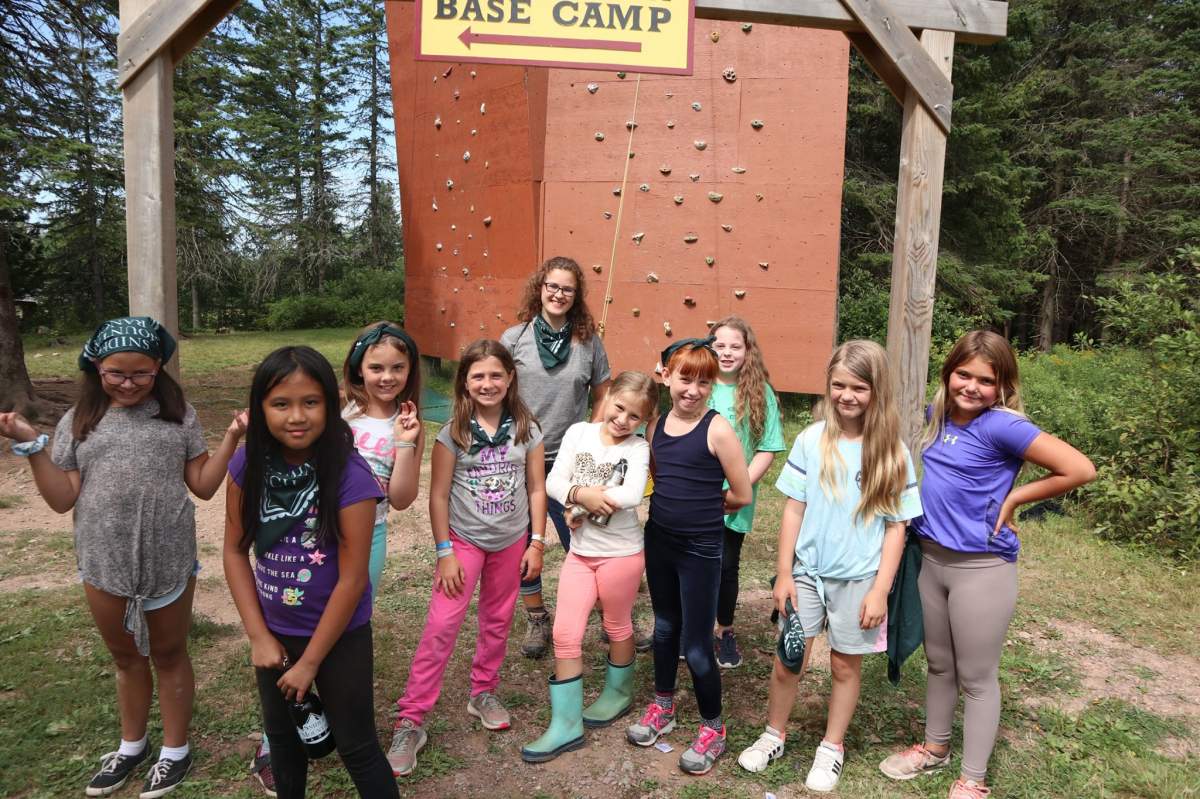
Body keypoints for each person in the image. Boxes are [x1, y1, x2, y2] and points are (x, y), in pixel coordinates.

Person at [0, 316, 243, 798]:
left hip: (168, 556)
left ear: (158, 369)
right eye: (116, 374)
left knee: (170, 655)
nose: (128, 383)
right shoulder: (78, 421)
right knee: (126, 658)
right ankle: (132, 745)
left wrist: (233, 437)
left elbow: (204, 485)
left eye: (141, 374)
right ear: (96, 368)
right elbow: (61, 498)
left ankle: (176, 750)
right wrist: (30, 445)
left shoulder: (179, 416)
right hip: (104, 559)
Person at [879, 330, 1095, 798]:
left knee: (976, 677)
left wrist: (1016, 496)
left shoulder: (1003, 426)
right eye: (964, 374)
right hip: (931, 560)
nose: (972, 387)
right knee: (939, 664)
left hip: (981, 567)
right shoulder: (933, 415)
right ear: (948, 372)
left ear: (1003, 385)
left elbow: (1080, 468)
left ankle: (973, 780)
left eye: (986, 380)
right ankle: (934, 749)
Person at [736, 340, 922, 792]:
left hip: (859, 579)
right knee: (789, 657)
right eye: (838, 385)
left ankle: (831, 747)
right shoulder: (809, 439)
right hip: (807, 574)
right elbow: (794, 509)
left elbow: (897, 528)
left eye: (859, 387)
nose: (847, 396)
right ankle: (773, 734)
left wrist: (880, 590)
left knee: (844, 666)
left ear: (877, 391)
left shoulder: (891, 451)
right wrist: (784, 572)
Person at [248, 323, 424, 795]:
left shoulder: (402, 427)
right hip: (299, 552)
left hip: (367, 535)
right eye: (376, 367)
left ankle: (316, 683)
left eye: (397, 368)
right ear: (356, 370)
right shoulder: (335, 413)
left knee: (339, 620)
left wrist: (406, 442)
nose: (386, 377)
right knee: (285, 715)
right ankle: (279, 732)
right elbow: (236, 544)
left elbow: (403, 497)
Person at [386, 340, 546, 777]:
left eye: (496, 375)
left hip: (511, 541)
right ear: (465, 382)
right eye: (478, 376)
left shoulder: (526, 429)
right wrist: (445, 552)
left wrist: (537, 541)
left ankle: (484, 691)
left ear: (510, 378)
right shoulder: (451, 432)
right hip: (464, 543)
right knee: (442, 625)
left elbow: (535, 488)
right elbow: (437, 496)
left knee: (497, 619)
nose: (488, 383)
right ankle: (411, 718)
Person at [625, 338, 752, 775]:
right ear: (665, 376)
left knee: (697, 647)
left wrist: (709, 507)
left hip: (700, 549)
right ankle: (663, 706)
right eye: (685, 379)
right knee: (663, 628)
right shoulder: (654, 424)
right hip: (659, 539)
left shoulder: (717, 429)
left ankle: (713, 729)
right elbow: (657, 476)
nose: (693, 390)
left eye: (704, 381)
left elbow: (743, 492)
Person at [522, 371, 657, 763]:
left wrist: (581, 504)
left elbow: (632, 493)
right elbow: (554, 480)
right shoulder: (579, 433)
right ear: (608, 396)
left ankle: (619, 693)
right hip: (580, 554)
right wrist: (581, 494)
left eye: (635, 416)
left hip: (622, 555)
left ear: (643, 420)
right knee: (566, 632)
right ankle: (566, 725)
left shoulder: (637, 448)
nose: (622, 420)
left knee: (616, 625)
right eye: (619, 407)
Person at [500, 256, 612, 658]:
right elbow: (493, 389)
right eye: (552, 286)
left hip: (569, 462)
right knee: (521, 543)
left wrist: (590, 436)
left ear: (576, 295)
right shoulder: (514, 338)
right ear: (540, 287)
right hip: (519, 459)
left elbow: (603, 394)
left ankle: (609, 615)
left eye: (567, 288)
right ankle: (536, 617)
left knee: (582, 539)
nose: (558, 294)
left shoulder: (588, 342)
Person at [706, 316, 786, 668]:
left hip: (734, 500)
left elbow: (768, 447)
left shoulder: (760, 392)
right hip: (696, 494)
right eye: (719, 345)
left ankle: (724, 629)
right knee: (692, 562)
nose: (726, 352)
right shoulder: (699, 383)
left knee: (726, 565)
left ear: (747, 350)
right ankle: (690, 628)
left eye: (735, 346)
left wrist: (741, 488)